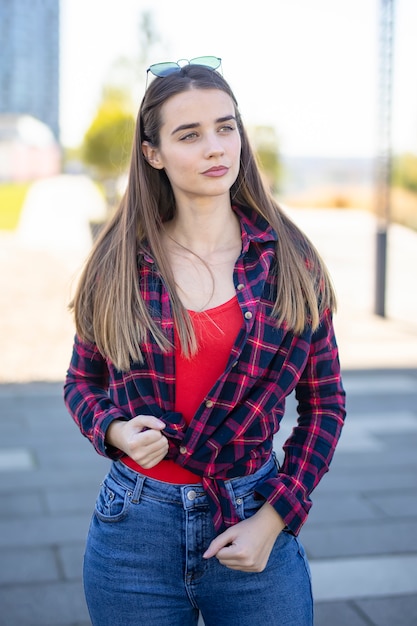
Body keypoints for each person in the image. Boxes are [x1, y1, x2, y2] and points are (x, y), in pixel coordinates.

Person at [64, 56, 346, 626]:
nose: (216, 147)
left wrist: (275, 518)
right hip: (133, 533)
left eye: (226, 126)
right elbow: (81, 383)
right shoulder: (119, 263)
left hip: (252, 516)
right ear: (154, 153)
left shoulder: (290, 262)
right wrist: (114, 430)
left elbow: (326, 406)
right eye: (189, 135)